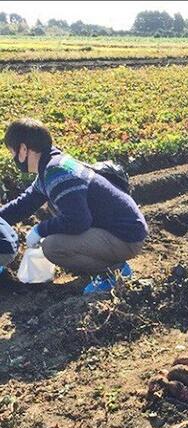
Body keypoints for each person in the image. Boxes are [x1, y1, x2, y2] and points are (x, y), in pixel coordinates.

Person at [0, 118, 148, 295]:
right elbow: (24, 204)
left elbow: (78, 220)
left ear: (24, 149)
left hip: (126, 236)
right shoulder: (52, 166)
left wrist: (40, 229)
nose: (14, 158)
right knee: (56, 217)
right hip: (117, 229)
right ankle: (107, 261)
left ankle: (114, 271)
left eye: (12, 152)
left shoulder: (56, 173)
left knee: (53, 246)